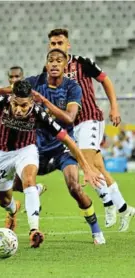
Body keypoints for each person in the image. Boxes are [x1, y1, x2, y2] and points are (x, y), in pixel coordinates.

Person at [0, 49, 106, 245]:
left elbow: (68, 131)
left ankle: (39, 230)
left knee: (71, 186)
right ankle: (14, 208)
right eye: (51, 60)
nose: (18, 109)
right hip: (12, 151)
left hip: (45, 149)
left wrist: (88, 168)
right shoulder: (20, 91)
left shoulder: (65, 92)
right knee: (5, 198)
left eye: (24, 106)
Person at [47, 28, 135, 231]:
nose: (57, 47)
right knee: (99, 167)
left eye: (60, 43)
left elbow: (105, 80)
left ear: (68, 45)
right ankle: (123, 208)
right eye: (53, 44)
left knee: (86, 165)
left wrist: (114, 107)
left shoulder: (81, 63)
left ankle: (108, 204)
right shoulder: (49, 71)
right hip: (72, 126)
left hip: (90, 119)